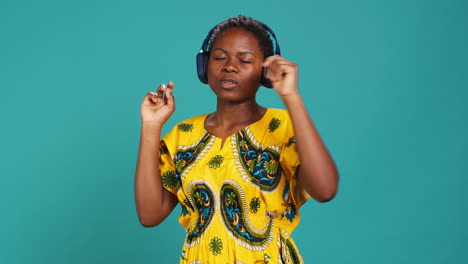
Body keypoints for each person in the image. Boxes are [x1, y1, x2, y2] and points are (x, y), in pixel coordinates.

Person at [134, 15, 339, 263]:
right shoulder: (183, 135)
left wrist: (291, 96)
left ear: (265, 73)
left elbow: (325, 190)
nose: (230, 66)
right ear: (204, 66)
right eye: (220, 57)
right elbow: (149, 215)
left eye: (245, 60)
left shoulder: (283, 126)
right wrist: (151, 126)